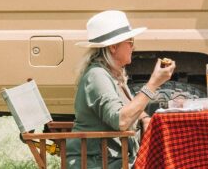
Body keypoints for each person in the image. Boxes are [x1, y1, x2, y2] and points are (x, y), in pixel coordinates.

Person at [67, 10, 175, 169]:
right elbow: (121, 120)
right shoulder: (97, 75)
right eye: (130, 41)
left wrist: (144, 118)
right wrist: (153, 84)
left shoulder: (112, 73)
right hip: (99, 162)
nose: (134, 46)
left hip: (112, 159)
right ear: (113, 47)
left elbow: (127, 106)